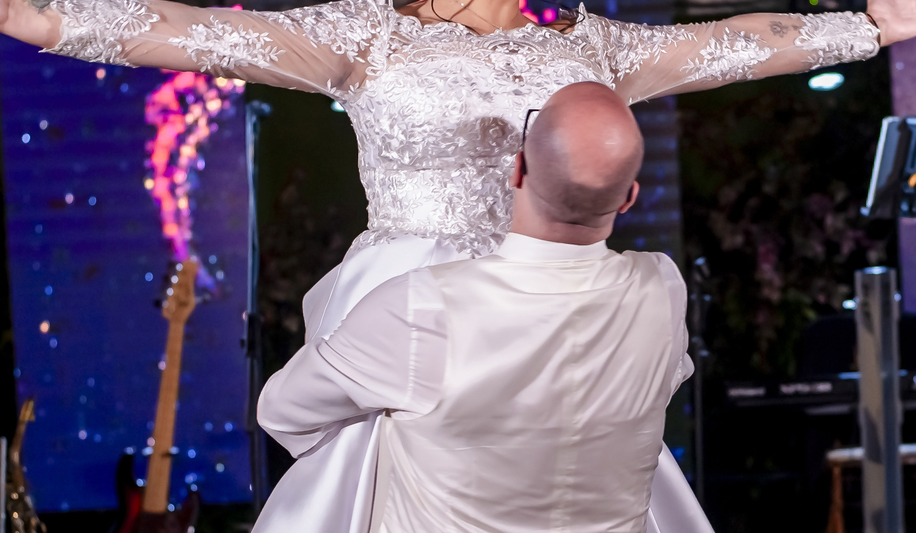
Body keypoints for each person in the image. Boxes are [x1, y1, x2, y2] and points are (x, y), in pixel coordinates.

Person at [0, 0, 916, 533]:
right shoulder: (369, 38)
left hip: (547, 335)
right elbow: (189, 31)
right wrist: (22, 15)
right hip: (412, 333)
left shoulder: (590, 47)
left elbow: (735, 44)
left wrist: (857, 35)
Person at [258, 82, 703, 533]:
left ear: (516, 170)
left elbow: (282, 410)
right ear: (629, 197)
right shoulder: (662, 288)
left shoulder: (422, 307)